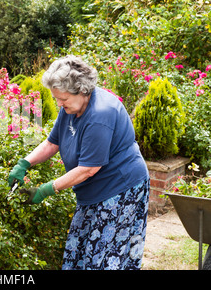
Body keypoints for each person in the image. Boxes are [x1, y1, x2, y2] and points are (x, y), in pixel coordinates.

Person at [8, 55, 150, 270]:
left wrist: (45, 190)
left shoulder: (101, 114)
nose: (58, 103)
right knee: (82, 247)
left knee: (107, 255)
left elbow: (88, 169)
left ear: (82, 91)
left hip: (121, 189)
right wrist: (24, 164)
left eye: (62, 98)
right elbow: (52, 143)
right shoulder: (70, 108)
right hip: (92, 191)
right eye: (56, 98)